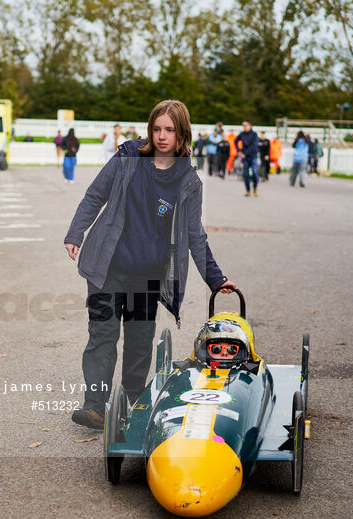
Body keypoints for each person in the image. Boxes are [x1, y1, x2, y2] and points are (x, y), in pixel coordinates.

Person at [63, 99, 238, 429]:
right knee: (102, 334)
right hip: (107, 267)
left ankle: (132, 406)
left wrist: (216, 279)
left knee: (140, 342)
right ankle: (95, 406)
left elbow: (194, 234)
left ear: (181, 134)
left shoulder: (187, 181)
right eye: (156, 129)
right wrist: (76, 233)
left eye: (169, 130)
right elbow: (94, 194)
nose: (161, 136)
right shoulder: (128, 157)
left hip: (146, 276)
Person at [235, 121, 260, 197]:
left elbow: (254, 146)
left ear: (250, 126)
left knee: (255, 173)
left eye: (246, 125)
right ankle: (248, 190)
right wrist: (239, 151)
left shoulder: (254, 135)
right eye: (243, 126)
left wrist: (244, 154)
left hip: (253, 156)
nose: (244, 127)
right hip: (244, 158)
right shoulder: (242, 134)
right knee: (246, 174)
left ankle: (255, 188)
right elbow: (235, 141)